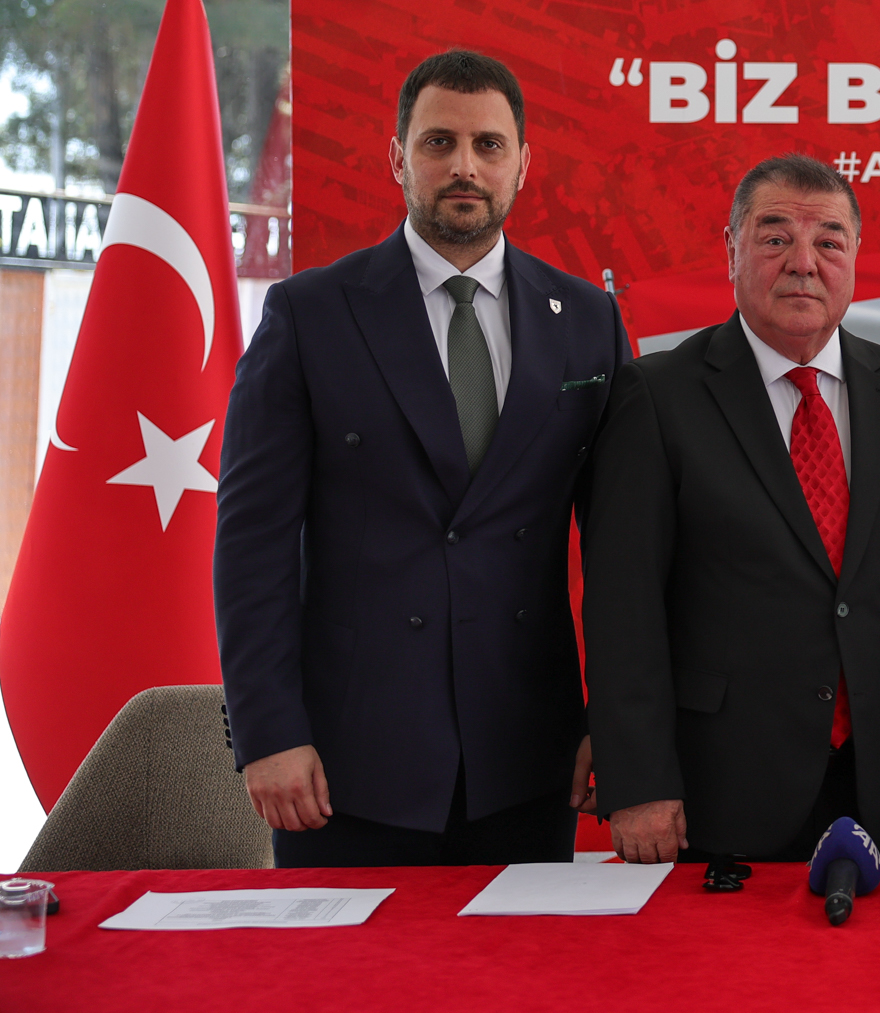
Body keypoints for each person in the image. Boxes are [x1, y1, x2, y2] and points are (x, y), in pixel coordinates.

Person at [215, 50, 630, 866]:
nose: (464, 166)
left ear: (522, 164)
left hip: (528, 760)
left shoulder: (589, 321)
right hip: (342, 764)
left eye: (488, 145)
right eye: (439, 142)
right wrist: (269, 732)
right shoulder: (309, 314)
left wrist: (618, 724)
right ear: (398, 158)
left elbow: (624, 551)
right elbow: (252, 542)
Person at [582, 153, 880, 864]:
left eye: (829, 242)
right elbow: (624, 608)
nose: (803, 263)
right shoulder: (657, 396)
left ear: (855, 257)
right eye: (775, 237)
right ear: (732, 250)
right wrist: (641, 781)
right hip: (724, 787)